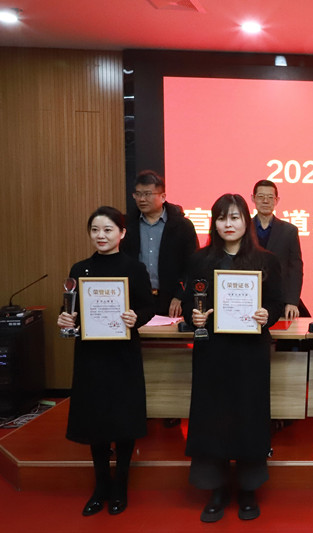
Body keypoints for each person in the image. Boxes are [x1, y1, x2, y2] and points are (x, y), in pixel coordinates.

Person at [182, 193, 284, 523]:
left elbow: (277, 303)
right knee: (213, 418)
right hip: (212, 351)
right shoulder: (199, 260)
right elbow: (189, 303)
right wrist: (194, 317)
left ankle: (248, 489)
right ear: (214, 223)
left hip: (250, 353)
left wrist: (267, 314)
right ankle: (216, 490)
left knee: (248, 417)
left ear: (245, 221)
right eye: (222, 218)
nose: (229, 224)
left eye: (235, 217)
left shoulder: (266, 260)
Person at [57, 206, 155, 516]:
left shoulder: (134, 268)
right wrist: (65, 320)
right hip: (91, 356)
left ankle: (120, 487)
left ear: (122, 233)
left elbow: (148, 307)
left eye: (108, 229)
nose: (101, 235)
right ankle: (100, 487)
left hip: (123, 356)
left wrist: (136, 317)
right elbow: (71, 310)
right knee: (96, 422)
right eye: (95, 230)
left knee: (123, 422)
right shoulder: (80, 269)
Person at [121, 170, 198, 317]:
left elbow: (193, 266)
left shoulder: (182, 226)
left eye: (147, 194)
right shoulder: (127, 225)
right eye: (138, 194)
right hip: (135, 301)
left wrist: (180, 296)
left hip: (172, 301)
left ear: (162, 197)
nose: (141, 199)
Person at [251, 179, 309, 319]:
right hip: (249, 295)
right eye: (261, 196)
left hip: (279, 298)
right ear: (253, 199)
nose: (265, 201)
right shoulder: (243, 229)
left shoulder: (289, 231)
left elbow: (295, 268)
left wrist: (292, 301)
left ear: (277, 200)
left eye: (270, 197)